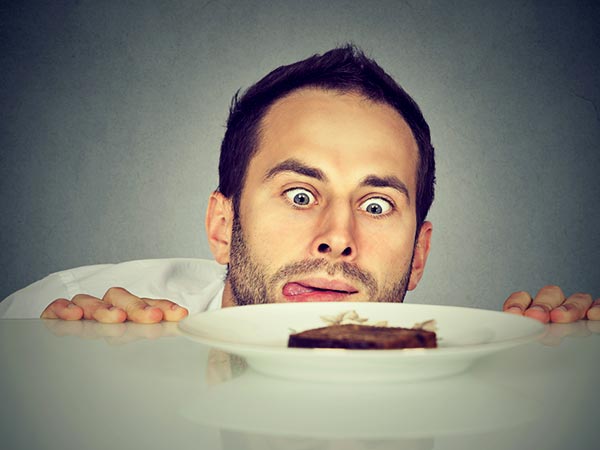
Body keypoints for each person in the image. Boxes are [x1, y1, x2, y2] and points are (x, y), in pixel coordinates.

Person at [1, 45, 598, 324]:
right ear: (222, 226)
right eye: (301, 195)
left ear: (419, 255)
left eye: (376, 204)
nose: (337, 238)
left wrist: (564, 363)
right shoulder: (54, 315)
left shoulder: (485, 375)